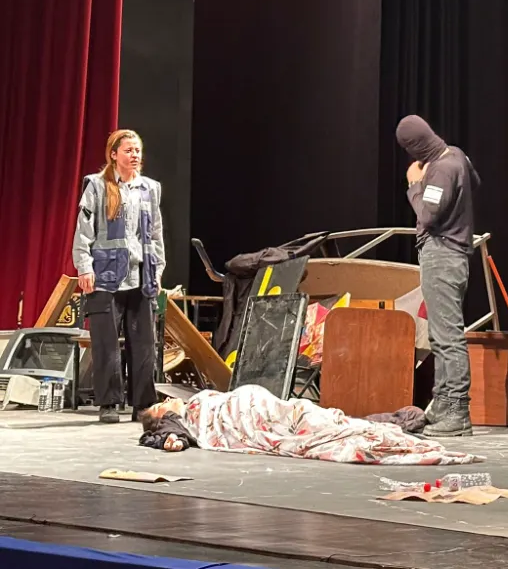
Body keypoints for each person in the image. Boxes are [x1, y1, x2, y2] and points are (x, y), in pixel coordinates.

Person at [138, 384, 483, 466]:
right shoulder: (186, 418)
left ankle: (390, 423)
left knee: (314, 416)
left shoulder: (195, 399)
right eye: (159, 405)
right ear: (162, 416)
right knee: (323, 430)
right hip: (248, 417)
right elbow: (169, 435)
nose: (165, 400)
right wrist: (170, 439)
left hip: (265, 405)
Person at [395, 115, 480, 437]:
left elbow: (428, 216)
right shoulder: (457, 155)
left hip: (443, 254)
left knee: (447, 337)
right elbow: (474, 183)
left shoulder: (441, 169)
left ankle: (456, 412)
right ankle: (443, 406)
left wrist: (414, 184)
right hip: (451, 254)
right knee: (441, 336)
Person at [72, 129, 165, 424]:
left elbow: (156, 234)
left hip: (141, 276)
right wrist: (84, 267)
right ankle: (109, 403)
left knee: (144, 344)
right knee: (106, 343)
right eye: (128, 150)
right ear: (114, 154)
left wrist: (157, 270)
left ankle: (142, 404)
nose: (134, 155)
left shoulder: (150, 188)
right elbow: (83, 231)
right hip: (106, 276)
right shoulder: (98, 186)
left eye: (137, 150)